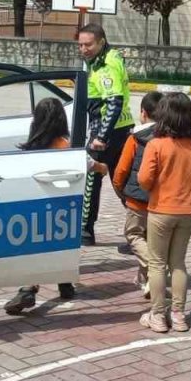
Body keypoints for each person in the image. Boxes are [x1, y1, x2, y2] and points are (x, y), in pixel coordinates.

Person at [4, 98, 105, 315]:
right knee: (64, 245)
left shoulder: (29, 148)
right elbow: (88, 164)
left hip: (35, 207)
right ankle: (64, 282)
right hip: (62, 208)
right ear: (61, 121)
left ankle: (29, 287)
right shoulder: (63, 146)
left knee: (36, 248)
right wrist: (104, 167)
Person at [138, 93, 191, 334]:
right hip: (186, 212)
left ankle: (157, 315)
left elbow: (144, 180)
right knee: (178, 263)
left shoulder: (156, 145)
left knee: (156, 264)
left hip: (160, 210)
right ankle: (178, 315)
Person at [77, 23, 134, 246]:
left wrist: (101, 136)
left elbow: (114, 101)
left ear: (101, 41)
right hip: (122, 128)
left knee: (92, 175)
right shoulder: (110, 57)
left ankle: (85, 231)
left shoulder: (106, 64)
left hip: (108, 130)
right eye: (80, 44)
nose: (83, 49)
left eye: (88, 44)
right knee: (122, 180)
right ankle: (140, 230)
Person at [112, 91, 164, 294]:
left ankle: (153, 271)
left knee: (133, 235)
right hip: (160, 202)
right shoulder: (167, 139)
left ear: (143, 113)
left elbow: (121, 171)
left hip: (136, 201)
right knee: (150, 240)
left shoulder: (135, 138)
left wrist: (121, 191)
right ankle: (145, 280)